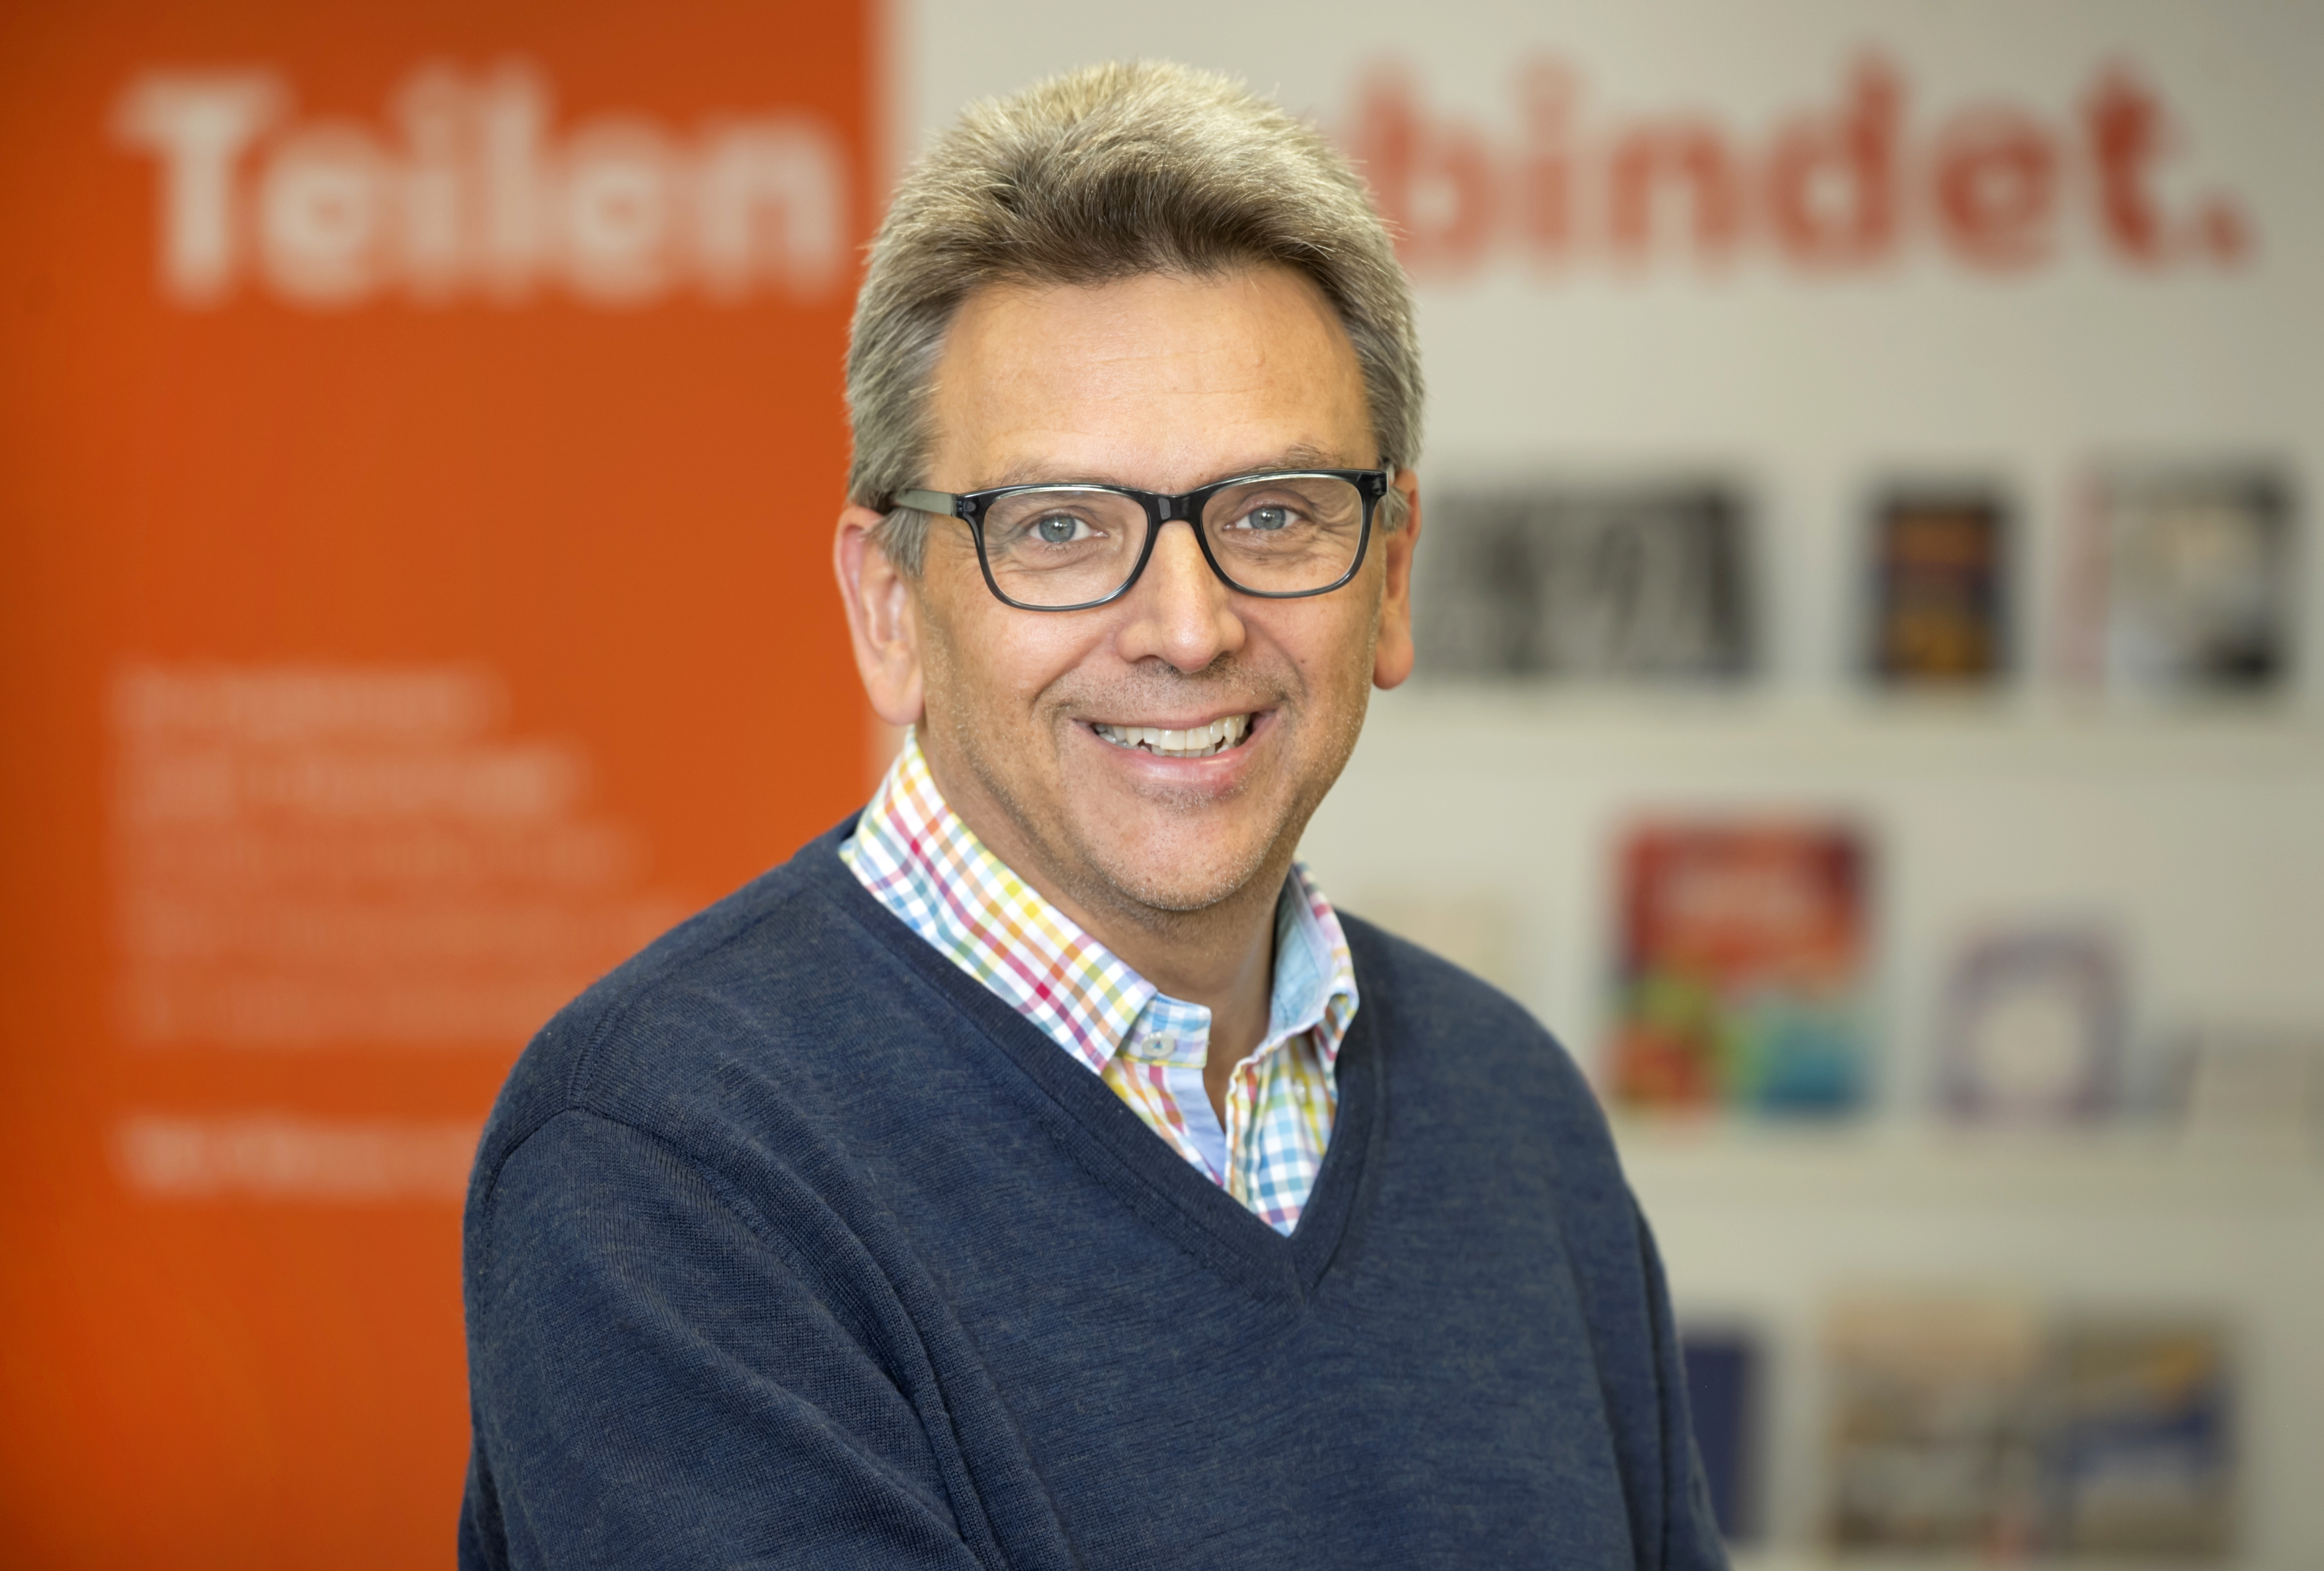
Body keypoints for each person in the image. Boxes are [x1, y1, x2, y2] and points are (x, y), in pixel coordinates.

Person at [460, 60, 1727, 1570]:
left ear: (1389, 579)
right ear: (889, 607)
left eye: (1273, 513)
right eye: (1058, 528)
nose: (1187, 629)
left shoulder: (1513, 1112)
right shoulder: (669, 1157)